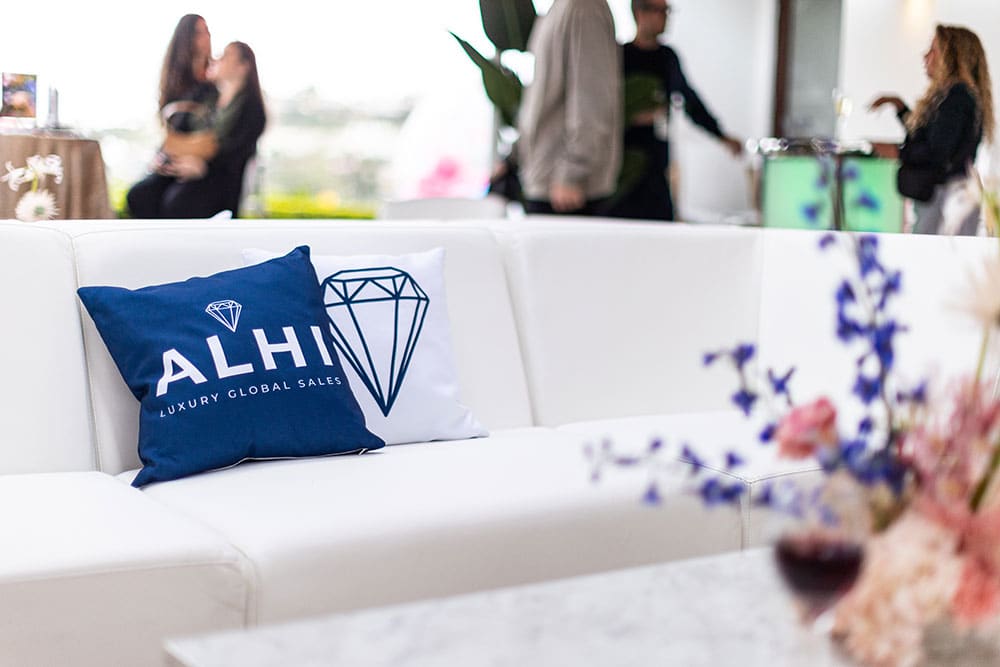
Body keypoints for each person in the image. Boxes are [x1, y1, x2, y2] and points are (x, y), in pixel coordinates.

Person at [608, 0, 742, 222]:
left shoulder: (667, 58)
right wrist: (632, 116)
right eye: (659, 11)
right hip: (622, 170)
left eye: (667, 11)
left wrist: (721, 136)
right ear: (640, 13)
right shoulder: (620, 56)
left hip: (656, 168)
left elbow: (690, 101)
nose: (664, 17)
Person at [870, 24, 994, 235]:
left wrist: (898, 152)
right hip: (944, 196)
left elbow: (938, 150)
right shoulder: (952, 96)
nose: (925, 56)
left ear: (951, 58)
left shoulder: (957, 96)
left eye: (933, 50)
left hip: (946, 199)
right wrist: (899, 107)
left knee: (931, 251)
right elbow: (932, 134)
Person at [516, 0, 622, 216]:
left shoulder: (584, 8)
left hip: (565, 190)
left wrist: (573, 172)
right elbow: (540, 98)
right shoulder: (559, 8)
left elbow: (592, 98)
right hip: (547, 178)